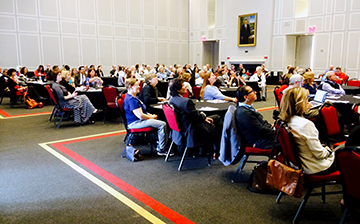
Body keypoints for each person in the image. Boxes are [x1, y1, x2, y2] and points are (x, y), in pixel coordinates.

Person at [279, 87, 336, 174]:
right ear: (299, 103)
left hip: (300, 164)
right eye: (306, 100)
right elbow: (320, 154)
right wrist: (328, 151)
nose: (309, 103)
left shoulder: (285, 120)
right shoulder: (305, 124)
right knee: (348, 154)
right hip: (315, 166)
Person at [169, 78, 223, 158]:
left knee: (216, 118)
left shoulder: (172, 100)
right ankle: (217, 150)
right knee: (217, 124)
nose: (186, 87)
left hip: (182, 128)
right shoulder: (186, 102)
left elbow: (194, 115)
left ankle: (213, 150)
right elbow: (196, 116)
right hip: (193, 129)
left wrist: (204, 118)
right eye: (183, 86)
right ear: (178, 89)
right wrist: (204, 118)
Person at [123, 78, 169, 156]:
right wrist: (152, 117)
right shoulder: (131, 100)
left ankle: (160, 143)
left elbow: (143, 112)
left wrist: (151, 116)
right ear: (130, 87)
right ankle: (161, 149)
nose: (139, 87)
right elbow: (141, 116)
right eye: (137, 85)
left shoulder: (133, 97)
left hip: (137, 121)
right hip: (135, 123)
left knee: (159, 121)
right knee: (163, 124)